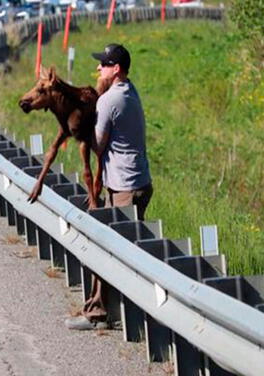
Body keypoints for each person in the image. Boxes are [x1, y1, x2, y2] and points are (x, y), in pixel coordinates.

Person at [65, 43, 153, 330]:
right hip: (137, 181)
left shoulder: (109, 100)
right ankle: (106, 312)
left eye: (103, 64)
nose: (98, 68)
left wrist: (81, 125)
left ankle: (100, 314)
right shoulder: (130, 90)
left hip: (124, 187)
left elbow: (98, 144)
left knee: (108, 251)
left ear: (116, 69)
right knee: (120, 250)